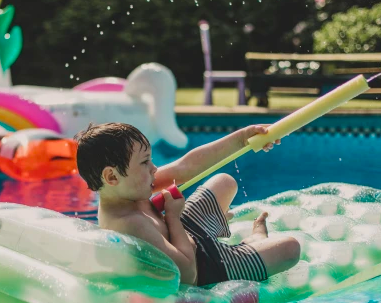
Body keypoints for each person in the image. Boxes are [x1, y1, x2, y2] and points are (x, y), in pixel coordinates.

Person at [74, 122, 300, 286]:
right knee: (290, 248)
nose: (154, 168)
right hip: (209, 267)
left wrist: (242, 138)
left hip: (186, 234)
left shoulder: (128, 188)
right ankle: (253, 243)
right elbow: (188, 275)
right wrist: (173, 217)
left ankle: (227, 234)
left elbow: (186, 166)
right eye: (145, 162)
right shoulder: (129, 223)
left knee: (224, 182)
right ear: (112, 176)